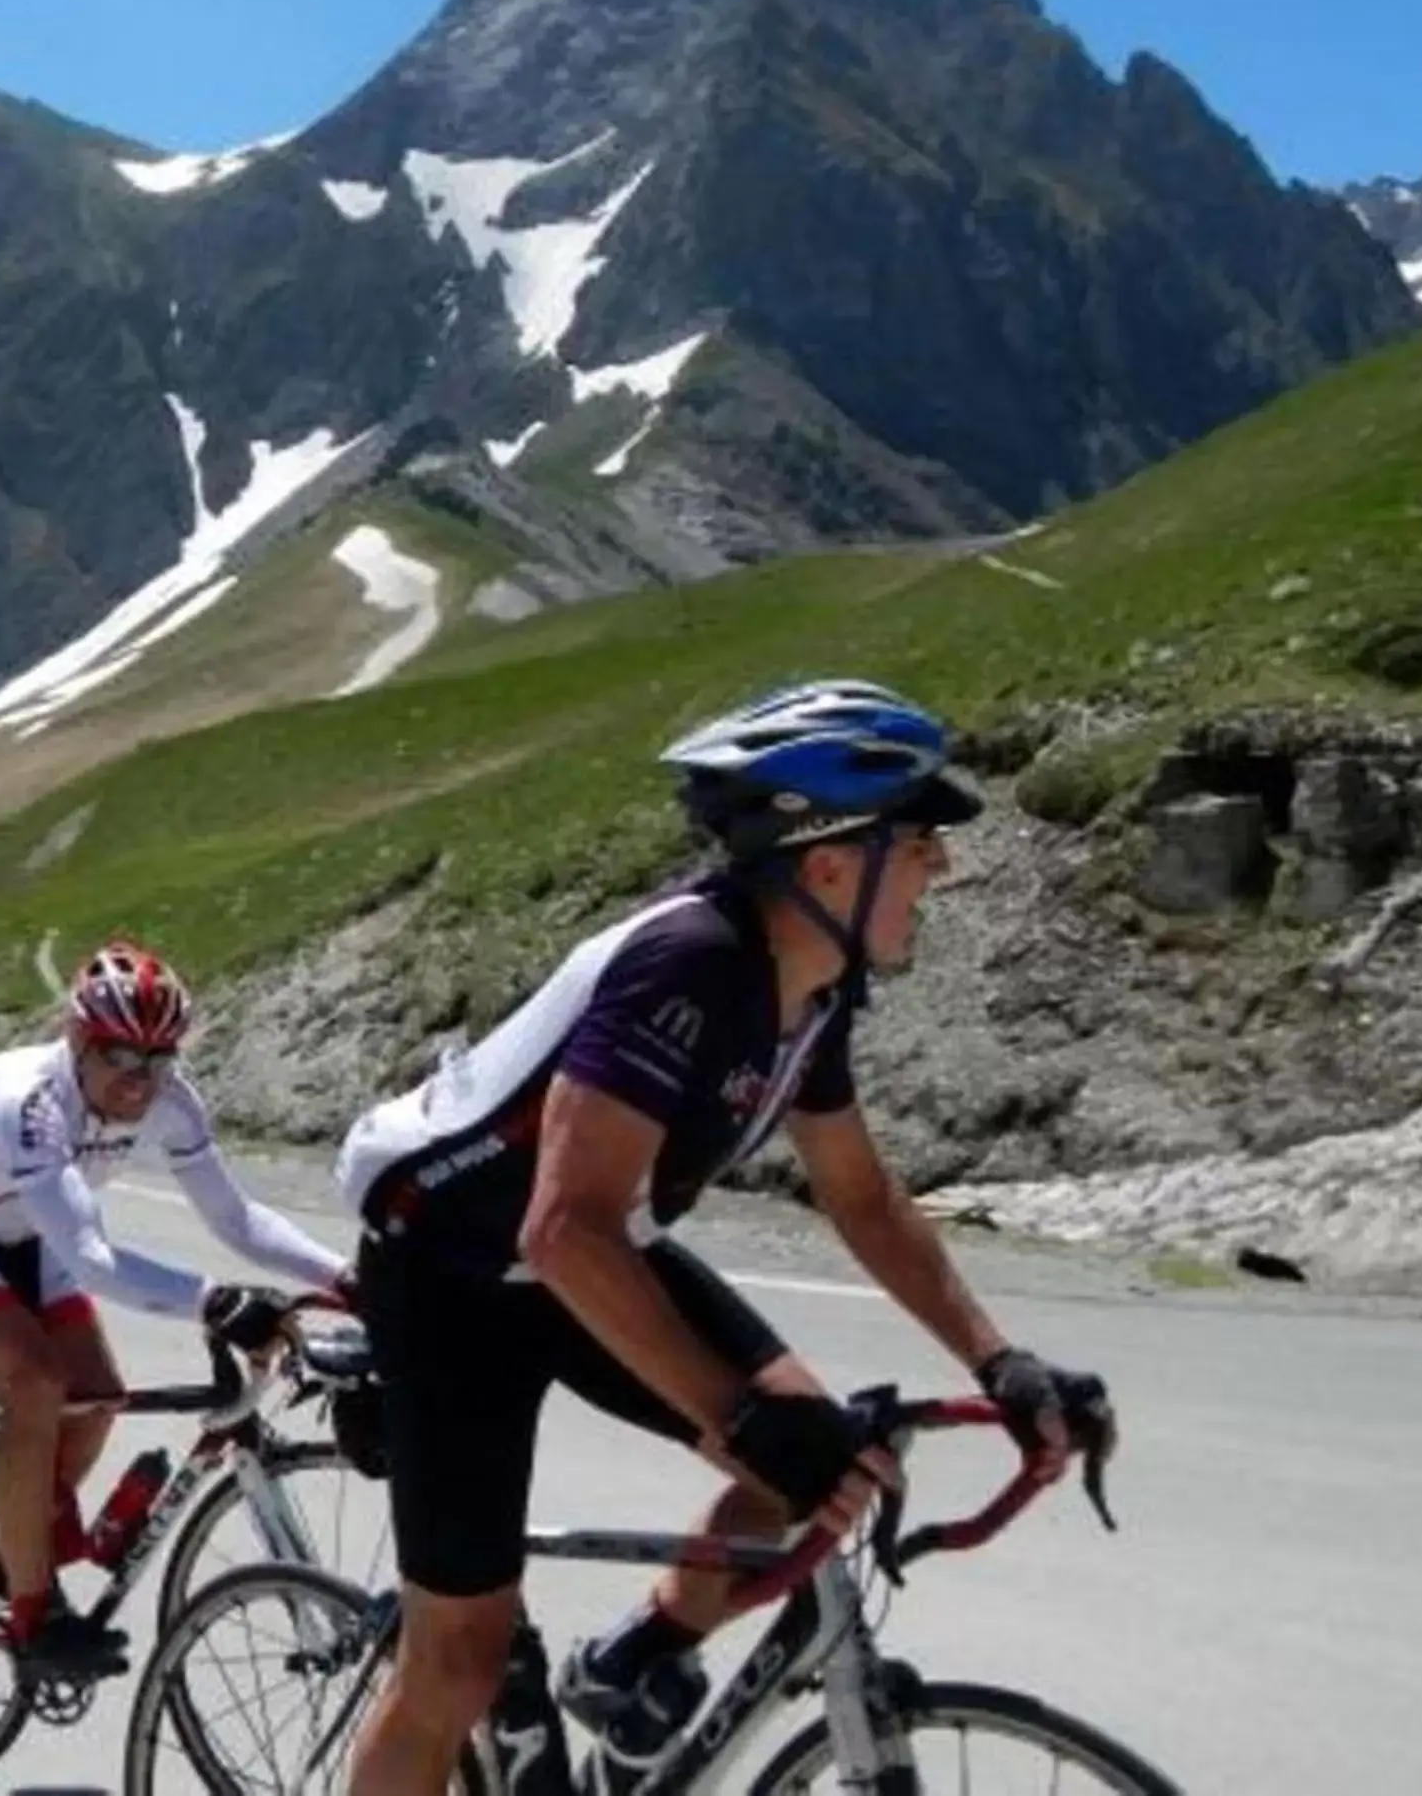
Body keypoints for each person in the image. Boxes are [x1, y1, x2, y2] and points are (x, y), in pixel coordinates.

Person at [330, 679, 1117, 1795]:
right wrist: (736, 1412)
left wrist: (999, 1360)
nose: (939, 864)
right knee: (451, 1666)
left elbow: (862, 1196)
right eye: (921, 838)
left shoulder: (816, 990)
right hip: (451, 1273)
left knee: (821, 1459)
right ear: (830, 861)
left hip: (594, 1252)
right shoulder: (688, 966)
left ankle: (633, 1658)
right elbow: (562, 1227)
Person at [0, 938, 353, 1680]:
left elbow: (237, 1219)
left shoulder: (172, 1101)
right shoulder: (32, 1109)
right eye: (123, 1057)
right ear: (81, 1039)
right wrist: (215, 1302)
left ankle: (12, 1551)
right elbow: (93, 1258)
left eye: (162, 1058)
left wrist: (346, 1279)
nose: (142, 1081)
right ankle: (34, 1620)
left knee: (98, 1398)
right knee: (33, 1382)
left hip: (26, 1230)